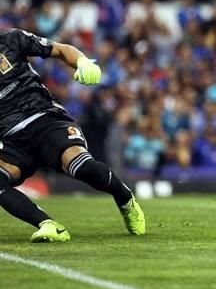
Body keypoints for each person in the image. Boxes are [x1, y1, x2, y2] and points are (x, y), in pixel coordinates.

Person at [0, 28, 145, 242]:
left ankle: (124, 197)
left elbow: (60, 50)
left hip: (45, 118)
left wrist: (83, 62)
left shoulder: (10, 40)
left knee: (83, 168)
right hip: (12, 141)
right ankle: (48, 225)